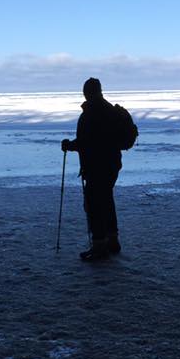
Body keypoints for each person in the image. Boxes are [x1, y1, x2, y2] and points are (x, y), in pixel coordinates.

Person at [61, 77, 128, 261]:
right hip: (112, 164)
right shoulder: (108, 110)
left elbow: (87, 142)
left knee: (94, 204)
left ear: (88, 92)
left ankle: (99, 246)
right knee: (106, 200)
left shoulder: (92, 113)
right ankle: (112, 241)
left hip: (96, 166)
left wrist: (69, 145)